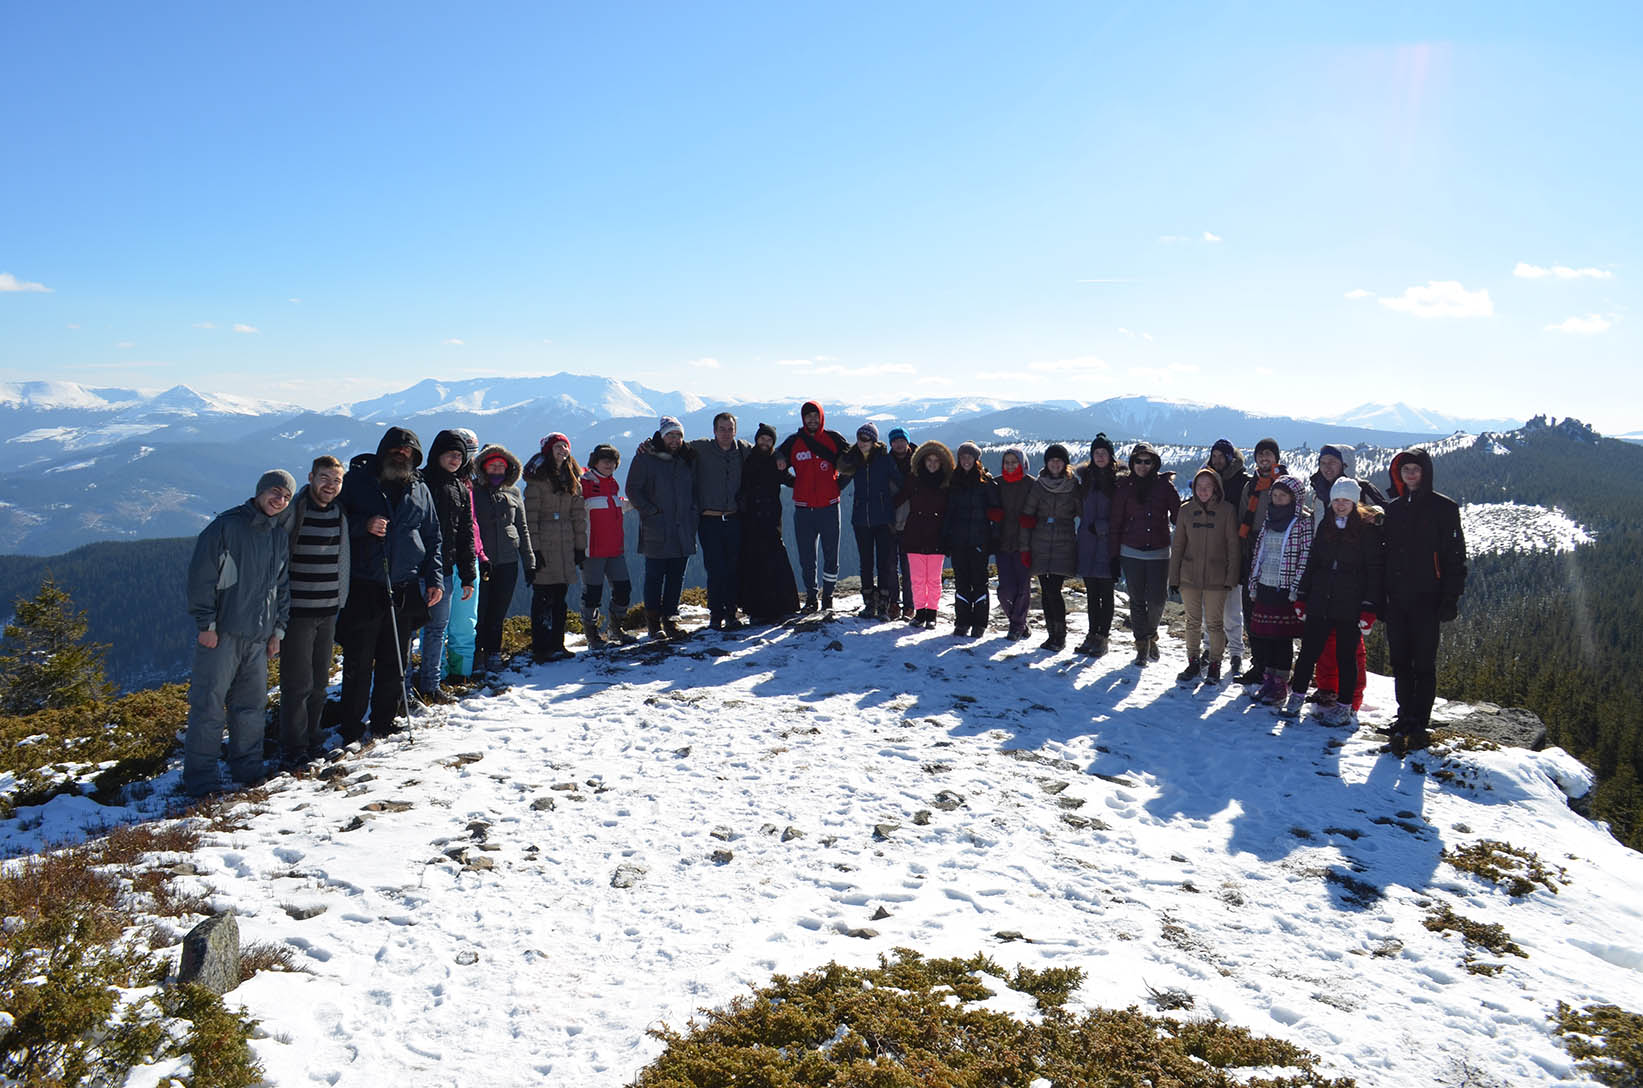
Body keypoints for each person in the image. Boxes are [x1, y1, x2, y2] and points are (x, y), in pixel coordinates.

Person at [182, 470, 293, 796]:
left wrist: (278, 630)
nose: (280, 500)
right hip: (223, 633)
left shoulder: (278, 535)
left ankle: (247, 769)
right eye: (275, 492)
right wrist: (206, 624)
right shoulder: (227, 526)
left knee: (251, 707)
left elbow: (281, 587)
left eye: (286, 497)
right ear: (260, 491)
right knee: (209, 706)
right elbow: (201, 577)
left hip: (259, 638)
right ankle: (201, 781)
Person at [335, 427, 443, 742]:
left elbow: (433, 536)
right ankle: (351, 726)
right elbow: (336, 520)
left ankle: (385, 719)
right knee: (358, 660)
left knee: (395, 660)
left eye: (407, 450)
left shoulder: (421, 488)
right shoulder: (356, 482)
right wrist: (363, 525)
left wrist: (434, 578)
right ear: (384, 451)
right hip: (365, 584)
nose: (401, 453)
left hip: (405, 586)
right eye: (395, 449)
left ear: (416, 455)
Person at [1381, 447, 1467, 752]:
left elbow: (1455, 558)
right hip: (1397, 599)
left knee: (1424, 663)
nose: (1410, 474)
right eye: (1405, 470)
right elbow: (1384, 557)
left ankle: (1420, 719)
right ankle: (1404, 714)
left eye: (1415, 469)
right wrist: (1381, 597)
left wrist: (1450, 598)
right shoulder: (1393, 509)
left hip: (1428, 597)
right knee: (1400, 660)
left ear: (1426, 472)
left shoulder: (1444, 509)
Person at [1281, 478, 1385, 722]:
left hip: (1350, 604)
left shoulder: (1366, 531)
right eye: (1336, 500)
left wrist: (1369, 607)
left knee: (1346, 656)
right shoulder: (1325, 526)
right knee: (1309, 652)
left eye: (1345, 500)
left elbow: (1374, 571)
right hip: (1320, 600)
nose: (1340, 505)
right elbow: (1313, 564)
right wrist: (1302, 596)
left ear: (1354, 502)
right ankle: (1296, 695)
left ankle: (1345, 704)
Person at [1303, 444, 1386, 712]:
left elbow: (1382, 514)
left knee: (1350, 649)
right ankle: (1327, 689)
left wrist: (1378, 517)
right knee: (1324, 643)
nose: (1326, 467)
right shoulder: (1319, 490)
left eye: (1333, 462)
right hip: (1324, 574)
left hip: (1351, 583)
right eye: (1323, 461)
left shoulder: (1361, 490)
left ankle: (1352, 699)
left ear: (1345, 465)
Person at [279, 456, 348, 765]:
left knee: (320, 682)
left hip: (328, 609)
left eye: (336, 481)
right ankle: (294, 747)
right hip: (297, 612)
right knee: (297, 684)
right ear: (310, 477)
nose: (330, 486)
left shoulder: (339, 513)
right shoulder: (294, 510)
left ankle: (313, 738)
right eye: (324, 478)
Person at [415, 430, 478, 698]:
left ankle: (430, 685)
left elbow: (466, 535)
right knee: (409, 632)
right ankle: (402, 687)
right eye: (450, 454)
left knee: (436, 629)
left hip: (446, 570)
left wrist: (467, 575)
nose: (454, 460)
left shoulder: (460, 488)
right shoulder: (419, 482)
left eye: (459, 456)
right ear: (437, 454)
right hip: (415, 569)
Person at [627, 416, 698, 638]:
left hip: (683, 528)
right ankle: (653, 624)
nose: (675, 439)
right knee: (655, 577)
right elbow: (632, 489)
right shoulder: (645, 458)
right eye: (670, 435)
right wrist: (651, 511)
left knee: (676, 577)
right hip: (657, 527)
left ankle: (671, 620)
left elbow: (697, 487)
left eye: (678, 435)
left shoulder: (688, 458)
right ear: (662, 436)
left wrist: (693, 514)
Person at [1167, 467, 1240, 684]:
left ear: (1216, 488)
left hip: (1217, 577)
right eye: (1200, 487)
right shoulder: (1186, 510)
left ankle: (1215, 664)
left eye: (1208, 487)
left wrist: (1231, 577)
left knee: (1215, 623)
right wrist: (1174, 577)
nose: (1204, 491)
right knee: (1192, 622)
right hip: (1189, 575)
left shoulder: (1227, 511)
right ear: (1194, 487)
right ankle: (1193, 662)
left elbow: (1233, 547)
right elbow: (1178, 545)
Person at [1245, 475, 1312, 705]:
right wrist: (1253, 582)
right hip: (1266, 585)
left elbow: (1305, 557)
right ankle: (1268, 679)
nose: (1278, 499)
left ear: (1294, 498)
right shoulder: (1268, 520)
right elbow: (1259, 553)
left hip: (1285, 590)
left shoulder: (1303, 523)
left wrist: (1296, 588)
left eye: (1283, 496)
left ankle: (1281, 683)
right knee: (1265, 637)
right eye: (1275, 495)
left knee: (1281, 638)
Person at [1109, 441, 1178, 666]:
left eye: (1147, 461)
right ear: (1132, 462)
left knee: (1158, 599)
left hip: (1159, 550)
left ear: (1154, 463)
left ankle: (1150, 635)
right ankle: (1142, 645)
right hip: (1131, 551)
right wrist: (1113, 557)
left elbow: (1179, 516)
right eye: (1138, 461)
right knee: (1137, 600)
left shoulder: (1165, 487)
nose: (1142, 465)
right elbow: (1116, 522)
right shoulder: (1124, 487)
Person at [779, 401, 849, 611]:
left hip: (829, 507)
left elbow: (852, 462)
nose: (811, 419)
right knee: (807, 558)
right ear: (803, 419)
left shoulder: (833, 439)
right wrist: (794, 482)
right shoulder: (794, 442)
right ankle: (811, 596)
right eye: (808, 416)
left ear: (821, 417)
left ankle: (828, 595)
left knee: (831, 556)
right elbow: (777, 460)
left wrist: (838, 486)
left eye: (815, 416)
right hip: (803, 509)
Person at [523, 433, 586, 661]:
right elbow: (530, 519)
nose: (562, 451)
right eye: (558, 447)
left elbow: (579, 516)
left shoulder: (572, 479)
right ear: (548, 450)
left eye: (565, 447)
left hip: (566, 544)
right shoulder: (537, 480)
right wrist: (534, 551)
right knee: (542, 598)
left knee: (560, 597)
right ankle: (541, 646)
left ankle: (557, 644)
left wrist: (581, 547)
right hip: (546, 545)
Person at [687, 413, 752, 630]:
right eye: (721, 429)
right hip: (709, 520)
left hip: (734, 519)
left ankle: (731, 613)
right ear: (714, 431)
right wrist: (650, 445)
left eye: (729, 428)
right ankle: (716, 615)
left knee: (734, 567)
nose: (725, 433)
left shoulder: (743, 449)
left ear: (735, 430)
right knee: (715, 569)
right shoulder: (701, 448)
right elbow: (674, 446)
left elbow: (767, 451)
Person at [472, 444, 534, 673]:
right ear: (483, 467)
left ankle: (493, 652)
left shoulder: (514, 492)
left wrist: (529, 562)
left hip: (508, 560)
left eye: (501, 465)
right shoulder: (473, 491)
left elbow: (523, 527)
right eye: (492, 465)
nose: (497, 469)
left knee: (498, 611)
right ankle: (477, 653)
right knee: (480, 610)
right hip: (482, 560)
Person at [1235, 437, 1289, 683]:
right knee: (1251, 609)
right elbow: (1241, 520)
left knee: (1275, 612)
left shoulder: (1287, 483)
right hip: (1252, 549)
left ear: (1276, 458)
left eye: (1269, 454)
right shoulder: (1251, 486)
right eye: (1260, 455)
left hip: (1278, 550)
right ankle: (1259, 664)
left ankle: (1274, 669)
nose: (1264, 459)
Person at [836, 422, 904, 620]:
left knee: (883, 563)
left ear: (874, 441)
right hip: (860, 520)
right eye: (859, 438)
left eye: (866, 439)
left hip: (883, 520)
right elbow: (840, 482)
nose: (862, 442)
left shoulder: (883, 459)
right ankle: (868, 603)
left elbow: (900, 481)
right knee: (866, 563)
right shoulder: (854, 460)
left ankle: (883, 604)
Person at [737, 424, 801, 622]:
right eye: (762, 439)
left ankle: (783, 607)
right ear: (756, 439)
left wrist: (813, 478)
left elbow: (791, 481)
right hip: (750, 519)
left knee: (775, 561)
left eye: (769, 440)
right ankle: (757, 610)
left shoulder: (776, 461)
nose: (765, 443)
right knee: (755, 563)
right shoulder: (745, 459)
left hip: (772, 519)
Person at [1020, 443, 1079, 651]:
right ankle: (1051, 634)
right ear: (1046, 463)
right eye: (1052, 460)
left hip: (1063, 544)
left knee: (1054, 590)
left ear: (1065, 464)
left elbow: (1084, 512)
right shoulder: (1039, 485)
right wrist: (1025, 547)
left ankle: (1059, 635)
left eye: (1059, 460)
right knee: (1046, 591)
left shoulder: (1073, 486)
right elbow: (1027, 517)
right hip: (1040, 542)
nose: (1055, 463)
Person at [580, 444, 638, 648]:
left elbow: (616, 505)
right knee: (592, 595)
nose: (609, 464)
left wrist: (637, 501)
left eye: (613, 461)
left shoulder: (612, 484)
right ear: (594, 462)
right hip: (592, 551)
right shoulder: (583, 484)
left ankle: (615, 629)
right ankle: (592, 636)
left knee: (623, 590)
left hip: (614, 549)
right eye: (604, 460)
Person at [944, 441, 1001, 637]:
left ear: (976, 459)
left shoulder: (986, 482)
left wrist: (993, 539)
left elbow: (996, 513)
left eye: (969, 456)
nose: (966, 460)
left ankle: (979, 623)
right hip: (959, 541)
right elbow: (948, 513)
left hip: (979, 541)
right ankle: (962, 622)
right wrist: (946, 538)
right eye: (962, 457)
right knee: (961, 582)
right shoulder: (954, 481)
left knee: (979, 582)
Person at [1204, 438, 1251, 676]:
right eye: (1215, 456)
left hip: (1233, 553)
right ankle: (1209, 649)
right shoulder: (1206, 479)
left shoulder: (1243, 482)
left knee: (1232, 610)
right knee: (1209, 608)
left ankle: (1235, 653)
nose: (1218, 460)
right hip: (1209, 551)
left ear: (1231, 458)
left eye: (1222, 456)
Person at [898, 440, 953, 629]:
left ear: (942, 463)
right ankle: (920, 612)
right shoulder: (913, 479)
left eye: (936, 461)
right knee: (918, 578)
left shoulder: (947, 483)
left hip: (938, 535)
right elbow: (899, 498)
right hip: (915, 534)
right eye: (929, 460)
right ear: (922, 461)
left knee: (934, 579)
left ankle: (932, 613)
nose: (932, 464)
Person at [445, 428, 486, 681]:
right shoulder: (434, 483)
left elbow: (472, 526)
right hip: (446, 561)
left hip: (469, 559)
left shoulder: (470, 483)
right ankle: (436, 676)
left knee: (464, 623)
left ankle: (460, 674)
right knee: (439, 625)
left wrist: (479, 555)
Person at [1074, 435, 1118, 655]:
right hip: (1087, 543)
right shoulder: (1084, 479)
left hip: (1108, 544)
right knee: (1092, 593)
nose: (1100, 456)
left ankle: (1103, 637)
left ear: (1110, 456)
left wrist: (1101, 527)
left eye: (1104, 453)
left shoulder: (1119, 480)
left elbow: (1122, 515)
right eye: (1096, 453)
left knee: (1106, 592)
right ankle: (1092, 633)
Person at [994, 446, 1035, 640]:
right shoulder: (997, 483)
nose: (1010, 466)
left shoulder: (1031, 484)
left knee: (1022, 587)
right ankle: (1019, 622)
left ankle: (1017, 625)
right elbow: (988, 504)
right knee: (1005, 590)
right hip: (1002, 542)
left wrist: (1033, 521)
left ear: (1022, 463)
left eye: (1014, 462)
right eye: (1006, 462)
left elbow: (1040, 510)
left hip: (1024, 544)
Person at [887, 427, 916, 619]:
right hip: (889, 523)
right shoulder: (885, 462)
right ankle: (893, 603)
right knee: (890, 566)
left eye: (902, 440)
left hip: (911, 523)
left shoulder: (918, 463)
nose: (899, 444)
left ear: (907, 441)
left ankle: (909, 605)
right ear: (891, 443)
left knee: (908, 568)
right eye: (895, 441)